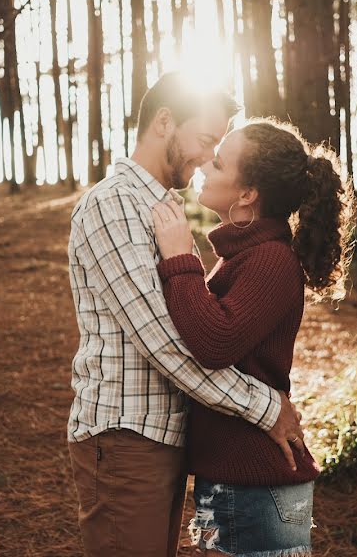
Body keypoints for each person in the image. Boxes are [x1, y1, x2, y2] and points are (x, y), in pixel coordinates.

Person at [66, 73, 307, 557]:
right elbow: (167, 345)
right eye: (205, 142)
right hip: (125, 436)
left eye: (217, 151)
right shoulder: (114, 205)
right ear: (163, 122)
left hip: (162, 436)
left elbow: (197, 325)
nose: (205, 160)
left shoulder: (163, 210)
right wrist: (267, 407)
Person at [151, 117, 355, 556]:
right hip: (232, 480)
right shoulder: (245, 256)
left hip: (255, 486)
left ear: (247, 194)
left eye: (220, 163)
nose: (206, 163)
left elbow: (215, 341)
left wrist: (179, 259)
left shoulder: (271, 260)